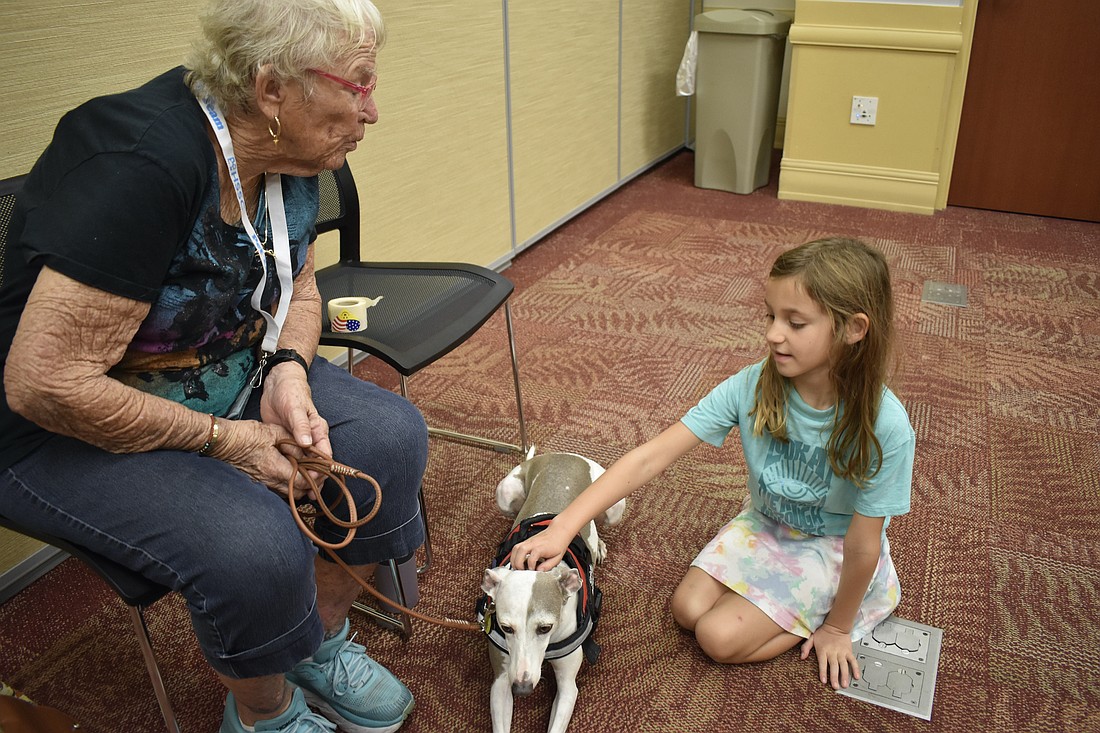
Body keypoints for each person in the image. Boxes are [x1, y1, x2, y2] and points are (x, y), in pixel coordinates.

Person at [0, 1, 426, 730]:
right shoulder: (140, 163)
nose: (373, 110)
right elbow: (44, 383)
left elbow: (303, 286)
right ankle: (265, 710)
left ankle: (313, 643)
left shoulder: (288, 151)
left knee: (389, 438)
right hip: (70, 425)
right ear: (271, 90)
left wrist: (290, 369)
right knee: (253, 542)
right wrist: (229, 443)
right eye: (357, 85)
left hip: (233, 373)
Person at [512, 237, 915, 691]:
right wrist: (564, 526)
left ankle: (839, 607)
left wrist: (838, 629)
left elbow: (864, 542)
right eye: (771, 315)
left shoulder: (886, 426)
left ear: (853, 328)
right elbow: (652, 457)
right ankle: (781, 601)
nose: (772, 334)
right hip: (767, 523)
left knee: (717, 637)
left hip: (833, 546)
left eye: (795, 322)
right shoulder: (755, 384)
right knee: (686, 609)